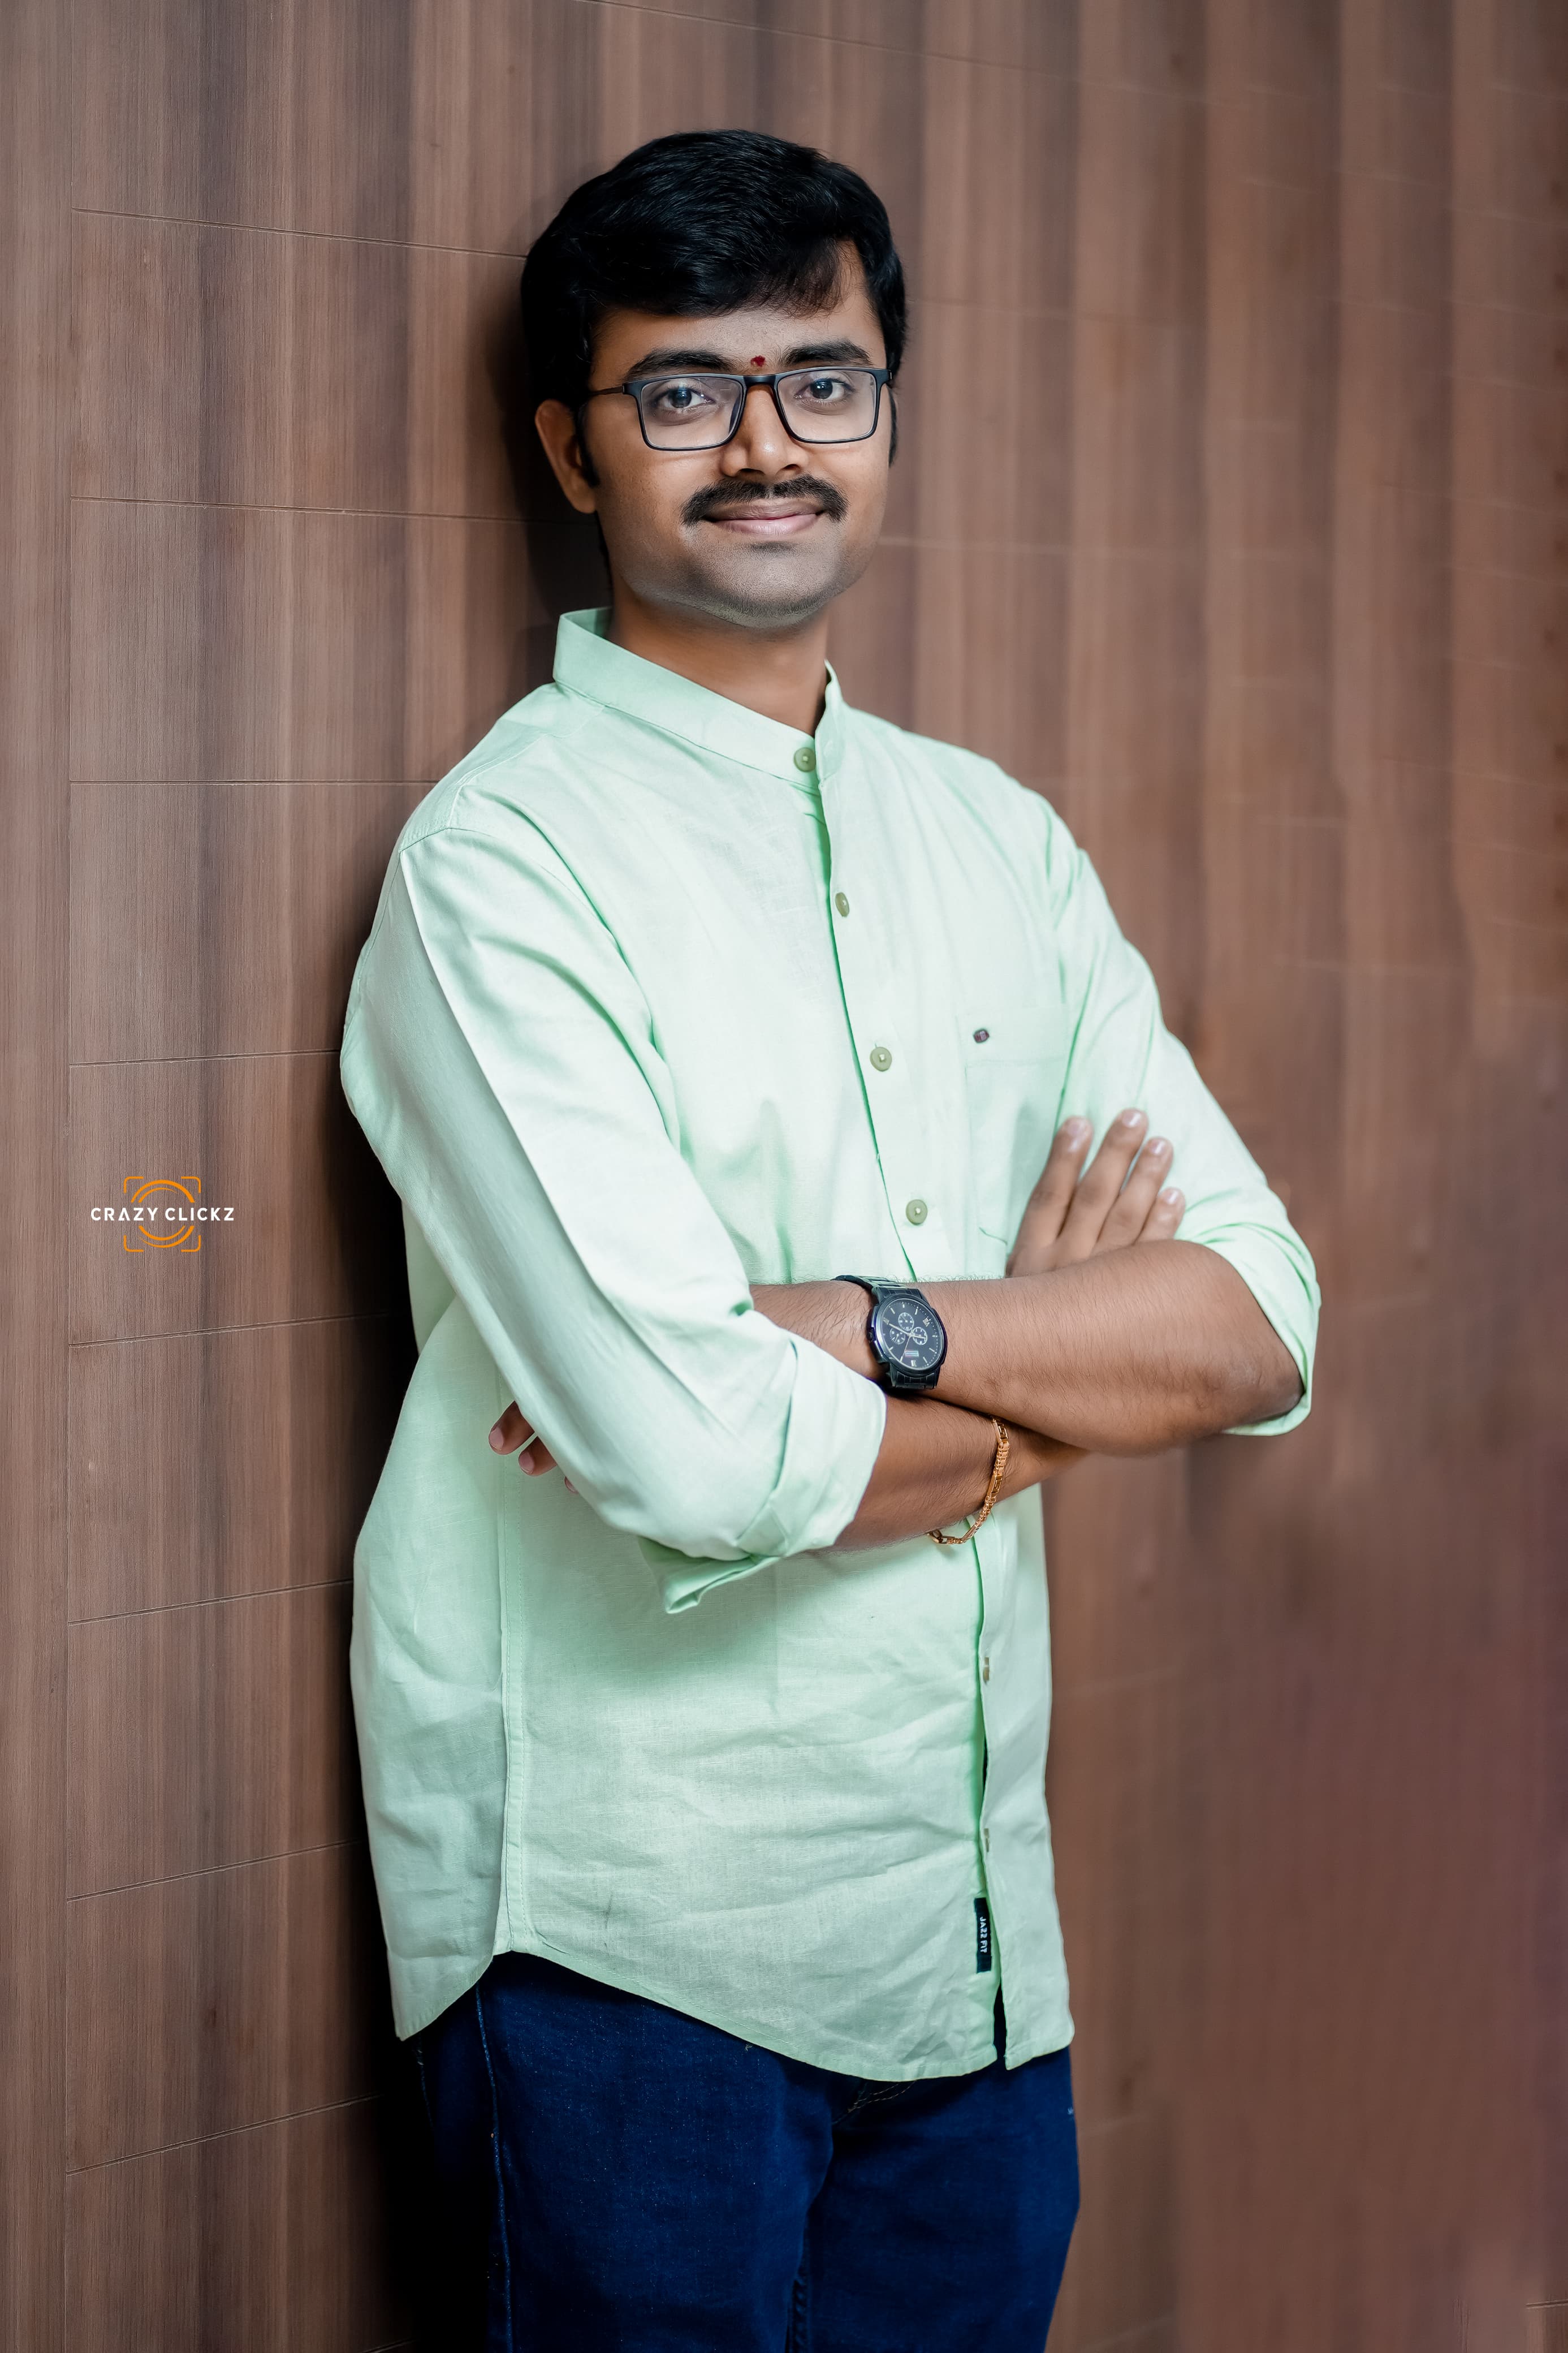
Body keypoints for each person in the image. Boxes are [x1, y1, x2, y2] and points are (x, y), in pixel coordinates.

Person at [339, 128, 1319, 2351]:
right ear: (570, 449)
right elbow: (697, 1455)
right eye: (686, 389)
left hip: (972, 1963)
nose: (768, 443)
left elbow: (1261, 1318)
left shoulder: (999, 844)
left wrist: (876, 1326)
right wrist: (1067, 1379)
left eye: (826, 379)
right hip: (621, 1958)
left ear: (885, 415)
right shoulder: (499, 869)